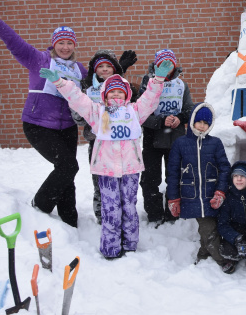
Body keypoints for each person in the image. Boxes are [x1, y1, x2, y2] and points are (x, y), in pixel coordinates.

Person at [0, 0, 86, 227]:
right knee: (68, 166)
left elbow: (99, 85)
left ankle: (70, 221)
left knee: (66, 173)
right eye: (61, 42)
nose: (66, 47)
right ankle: (39, 207)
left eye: (70, 43)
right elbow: (14, 41)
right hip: (38, 125)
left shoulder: (79, 70)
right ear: (54, 44)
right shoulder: (39, 59)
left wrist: (120, 69)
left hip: (67, 127)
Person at [40, 63, 169, 258]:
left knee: (129, 208)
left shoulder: (134, 112)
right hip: (106, 170)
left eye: (120, 92)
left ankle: (130, 246)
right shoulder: (97, 113)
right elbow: (78, 100)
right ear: (105, 96)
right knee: (111, 209)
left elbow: (150, 99)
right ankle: (111, 247)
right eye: (112, 92)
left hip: (130, 169)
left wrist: (158, 80)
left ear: (126, 95)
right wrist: (60, 83)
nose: (116, 95)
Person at [166, 103, 233, 272]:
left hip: (211, 195)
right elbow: (173, 172)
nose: (203, 126)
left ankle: (203, 254)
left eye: (206, 123)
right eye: (199, 122)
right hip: (191, 195)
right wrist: (173, 197)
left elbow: (225, 168)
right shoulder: (180, 143)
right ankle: (221, 259)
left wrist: (221, 191)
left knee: (210, 226)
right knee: (208, 227)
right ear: (192, 121)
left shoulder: (215, 143)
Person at [73, 49, 138, 224]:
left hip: (122, 142)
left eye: (108, 66)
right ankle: (103, 216)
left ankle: (124, 214)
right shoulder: (87, 87)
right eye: (100, 66)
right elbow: (78, 118)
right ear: (94, 69)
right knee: (100, 182)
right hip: (97, 143)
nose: (104, 69)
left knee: (122, 181)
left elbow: (133, 110)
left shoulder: (122, 87)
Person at [139, 49, 194, 227]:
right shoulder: (148, 82)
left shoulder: (181, 84)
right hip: (152, 137)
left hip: (176, 137)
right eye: (162, 63)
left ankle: (173, 214)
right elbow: (140, 112)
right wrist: (160, 121)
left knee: (175, 177)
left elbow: (189, 108)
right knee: (150, 178)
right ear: (156, 65)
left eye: (170, 63)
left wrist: (180, 118)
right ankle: (154, 214)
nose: (167, 67)